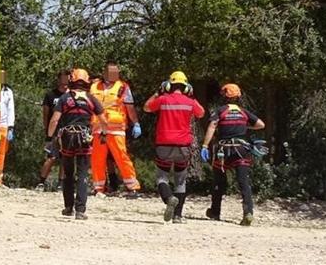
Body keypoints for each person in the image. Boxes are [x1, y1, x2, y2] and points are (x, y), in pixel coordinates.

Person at [143, 71, 205, 223]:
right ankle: (178, 216)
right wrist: (191, 96)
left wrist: (157, 92)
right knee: (180, 180)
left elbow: (146, 107)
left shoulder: (163, 99)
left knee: (161, 177)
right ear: (186, 87)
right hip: (183, 145)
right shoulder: (189, 102)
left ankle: (169, 198)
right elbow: (202, 113)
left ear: (168, 85)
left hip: (163, 143)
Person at [201, 83, 265, 226]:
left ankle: (215, 212)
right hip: (241, 150)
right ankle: (248, 212)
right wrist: (245, 126)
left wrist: (205, 145)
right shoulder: (244, 112)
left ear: (224, 96)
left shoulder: (220, 111)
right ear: (238, 97)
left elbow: (212, 126)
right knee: (243, 182)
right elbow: (261, 124)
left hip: (224, 150)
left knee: (219, 181)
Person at [47, 68, 107, 220]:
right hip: (85, 139)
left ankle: (68, 207)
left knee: (68, 173)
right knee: (82, 174)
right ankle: (80, 210)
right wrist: (104, 134)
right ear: (86, 82)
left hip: (67, 138)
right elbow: (103, 120)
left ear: (72, 81)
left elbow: (54, 120)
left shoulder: (65, 98)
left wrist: (50, 136)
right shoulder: (91, 99)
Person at [89, 61, 142, 194]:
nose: (115, 75)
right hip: (98, 129)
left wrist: (136, 123)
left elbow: (130, 107)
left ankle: (132, 187)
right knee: (97, 159)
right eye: (112, 72)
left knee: (122, 157)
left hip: (116, 129)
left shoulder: (123, 87)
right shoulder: (94, 86)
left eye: (116, 72)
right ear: (105, 72)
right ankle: (99, 188)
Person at [38, 70, 69, 189]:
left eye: (67, 79)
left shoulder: (70, 95)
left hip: (67, 130)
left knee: (65, 157)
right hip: (54, 131)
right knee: (51, 157)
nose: (65, 82)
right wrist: (47, 131)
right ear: (59, 79)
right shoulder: (50, 95)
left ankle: (61, 183)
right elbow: (45, 114)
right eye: (63, 79)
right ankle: (41, 181)